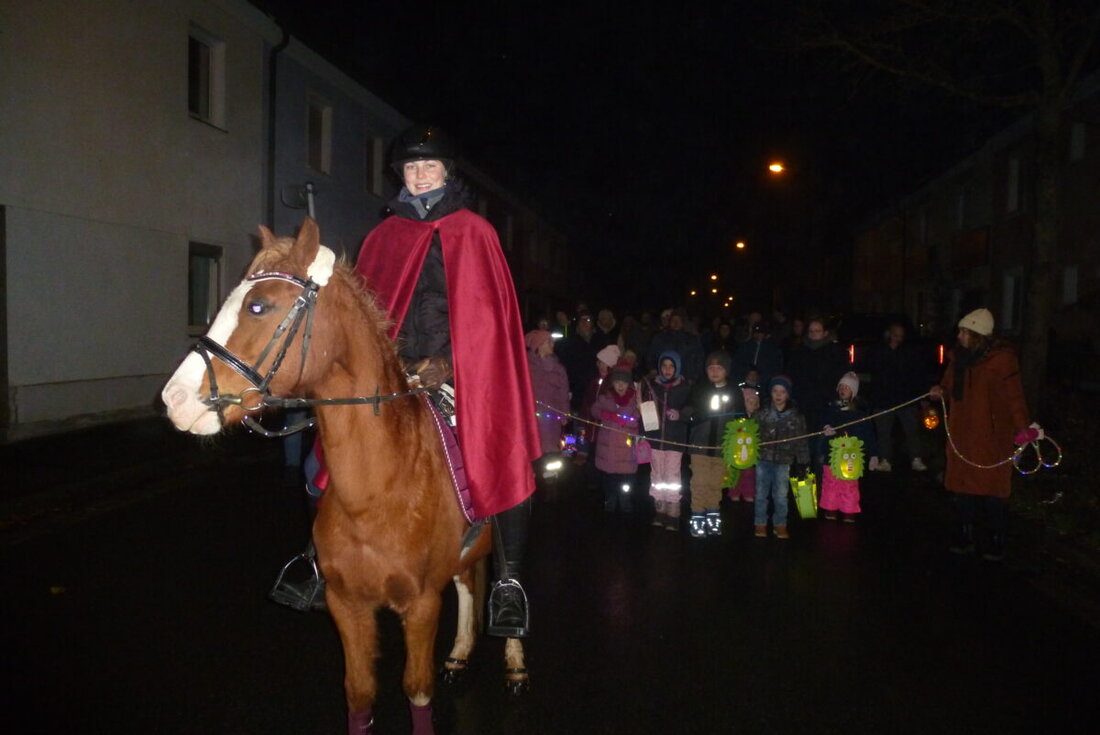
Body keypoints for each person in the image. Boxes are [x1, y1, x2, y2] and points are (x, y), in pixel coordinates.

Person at [352, 124, 540, 637]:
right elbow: (368, 312)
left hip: (457, 371)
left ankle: (510, 583)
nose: (418, 175)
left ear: (446, 173)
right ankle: (316, 560)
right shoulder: (382, 235)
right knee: (328, 450)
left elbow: (488, 317)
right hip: (393, 372)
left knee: (496, 452)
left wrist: (450, 363)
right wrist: (385, 361)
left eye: (428, 166)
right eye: (411, 168)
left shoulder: (473, 232)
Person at [929, 309, 1040, 561]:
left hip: (990, 437)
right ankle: (964, 535)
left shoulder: (1001, 362)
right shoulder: (959, 359)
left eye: (964, 332)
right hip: (960, 434)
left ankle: (995, 540)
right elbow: (948, 387)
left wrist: (1023, 429)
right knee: (961, 488)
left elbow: (1014, 398)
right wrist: (939, 392)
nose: (959, 336)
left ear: (977, 335)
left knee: (993, 490)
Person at [682, 351, 745, 537]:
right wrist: (694, 414)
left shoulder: (734, 391)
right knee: (700, 482)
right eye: (711, 368)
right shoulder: (700, 388)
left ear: (726, 370)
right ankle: (698, 515)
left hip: (721, 446)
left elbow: (741, 417)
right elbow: (687, 409)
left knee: (716, 483)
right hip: (700, 444)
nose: (715, 371)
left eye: (719, 368)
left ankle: (712, 513)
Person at [787, 317, 849, 476]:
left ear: (825, 332)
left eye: (818, 331)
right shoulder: (800, 351)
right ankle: (804, 484)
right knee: (804, 445)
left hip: (825, 404)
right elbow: (793, 375)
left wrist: (838, 400)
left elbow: (841, 376)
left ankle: (823, 485)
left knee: (822, 446)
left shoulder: (835, 351)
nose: (814, 334)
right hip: (804, 403)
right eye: (811, 331)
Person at [753, 375, 810, 539]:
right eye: (775, 391)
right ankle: (760, 522)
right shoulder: (762, 414)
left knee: (780, 494)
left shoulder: (796, 416)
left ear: (788, 394)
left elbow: (801, 441)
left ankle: (780, 523)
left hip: (783, 461)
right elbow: (752, 434)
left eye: (782, 392)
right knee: (761, 493)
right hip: (763, 458)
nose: (778, 395)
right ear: (770, 392)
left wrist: (803, 462)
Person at [867, 321, 929, 472]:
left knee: (911, 430)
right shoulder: (879, 350)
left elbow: (917, 375)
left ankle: (916, 458)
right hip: (883, 399)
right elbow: (873, 371)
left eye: (900, 336)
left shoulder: (909, 351)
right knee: (883, 432)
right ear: (889, 333)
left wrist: (922, 397)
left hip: (905, 398)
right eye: (895, 335)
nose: (897, 338)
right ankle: (885, 460)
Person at [642, 350, 692, 530]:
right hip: (656, 440)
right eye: (664, 365)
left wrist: (680, 414)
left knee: (672, 475)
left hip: (674, 440)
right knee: (657, 474)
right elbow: (645, 409)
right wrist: (644, 433)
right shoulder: (652, 387)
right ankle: (659, 507)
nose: (668, 369)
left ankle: (673, 511)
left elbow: (691, 408)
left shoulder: (685, 387)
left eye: (671, 366)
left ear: (677, 368)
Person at [819, 372, 879, 522]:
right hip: (832, 455)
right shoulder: (831, 409)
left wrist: (873, 454)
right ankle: (831, 508)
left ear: (853, 391)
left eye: (847, 387)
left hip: (851, 456)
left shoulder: (859, 414)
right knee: (831, 483)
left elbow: (869, 435)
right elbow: (822, 424)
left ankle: (849, 509)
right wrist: (825, 429)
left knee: (849, 484)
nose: (843, 389)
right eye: (841, 386)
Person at [591, 362, 641, 515]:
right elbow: (594, 410)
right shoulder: (606, 397)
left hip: (626, 450)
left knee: (626, 479)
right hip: (609, 448)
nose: (620, 385)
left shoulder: (635, 400)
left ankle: (625, 498)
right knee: (610, 478)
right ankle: (610, 498)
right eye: (617, 382)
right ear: (612, 383)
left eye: (624, 382)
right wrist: (606, 415)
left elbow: (639, 419)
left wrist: (626, 420)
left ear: (629, 383)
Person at [526, 328, 569, 458]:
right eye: (548, 342)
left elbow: (563, 393)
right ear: (539, 345)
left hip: (551, 419)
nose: (552, 345)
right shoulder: (527, 366)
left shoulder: (558, 369)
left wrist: (564, 413)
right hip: (531, 417)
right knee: (532, 449)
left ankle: (550, 475)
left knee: (550, 451)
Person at [556, 312, 598, 414]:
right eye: (582, 320)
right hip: (576, 389)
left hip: (595, 389)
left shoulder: (599, 340)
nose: (584, 323)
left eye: (587, 320)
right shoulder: (570, 342)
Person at [726, 382, 760, 503]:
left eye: (754, 402)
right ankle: (734, 492)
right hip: (736, 451)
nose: (752, 405)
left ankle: (748, 492)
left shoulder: (757, 419)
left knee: (749, 473)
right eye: (748, 401)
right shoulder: (736, 418)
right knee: (735, 472)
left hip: (749, 452)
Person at [733, 321, 783, 389]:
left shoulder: (772, 349)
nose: (759, 335)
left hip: (764, 383)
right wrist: (746, 374)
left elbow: (775, 367)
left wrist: (763, 377)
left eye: (761, 333)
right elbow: (738, 364)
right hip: (745, 381)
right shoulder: (745, 346)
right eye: (757, 333)